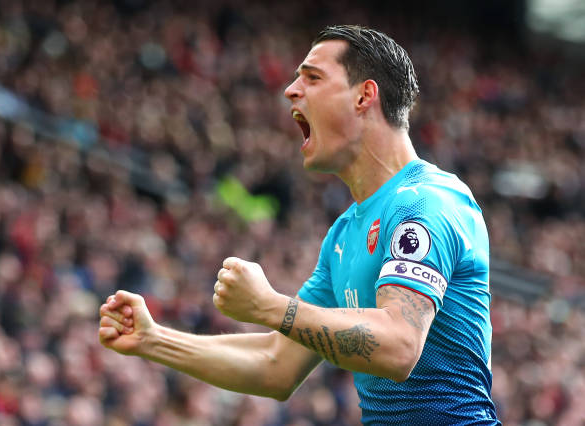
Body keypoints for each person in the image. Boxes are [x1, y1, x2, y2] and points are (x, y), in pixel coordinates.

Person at [99, 25, 500, 425]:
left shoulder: (426, 201)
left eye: (312, 77)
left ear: (364, 96)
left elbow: (398, 346)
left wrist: (270, 306)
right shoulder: (345, 233)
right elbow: (277, 364)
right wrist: (155, 340)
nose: (291, 90)